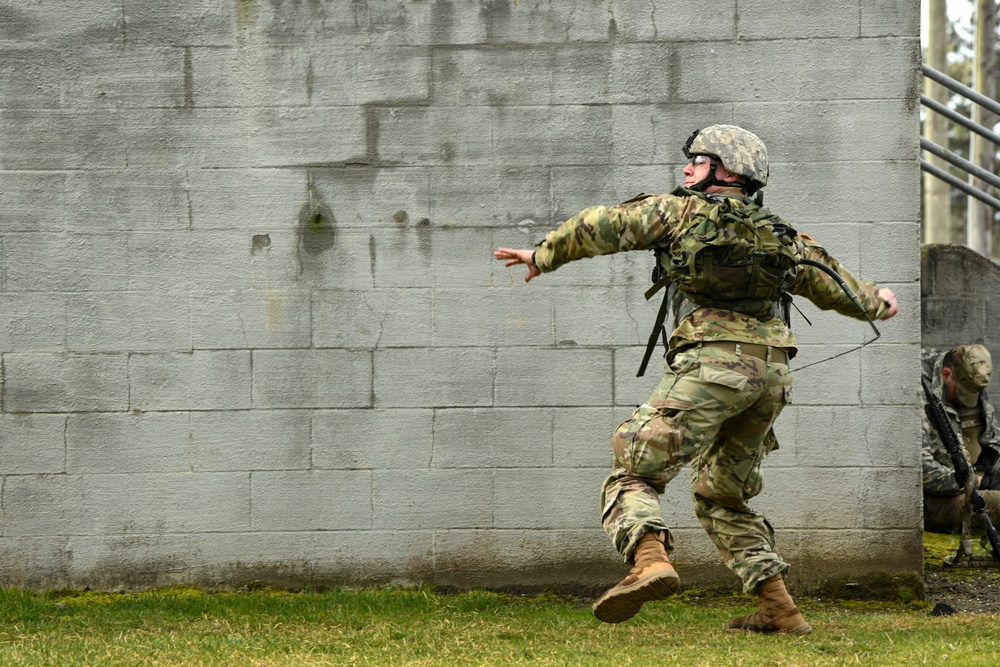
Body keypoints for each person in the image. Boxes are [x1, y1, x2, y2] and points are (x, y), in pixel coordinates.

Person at [494, 125, 898, 635]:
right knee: (722, 494)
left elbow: (603, 225)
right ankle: (780, 609)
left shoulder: (677, 212)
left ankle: (649, 560)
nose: (687, 168)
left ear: (726, 171)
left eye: (699, 160)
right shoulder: (785, 235)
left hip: (712, 365)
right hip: (771, 373)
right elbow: (837, 286)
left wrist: (542, 254)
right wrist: (880, 302)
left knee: (634, 469)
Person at [922, 344, 1000, 534]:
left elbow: (992, 441)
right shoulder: (919, 396)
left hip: (975, 484)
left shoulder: (971, 379)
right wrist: (971, 481)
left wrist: (990, 474)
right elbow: (918, 470)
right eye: (962, 391)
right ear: (946, 374)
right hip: (935, 502)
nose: (967, 398)